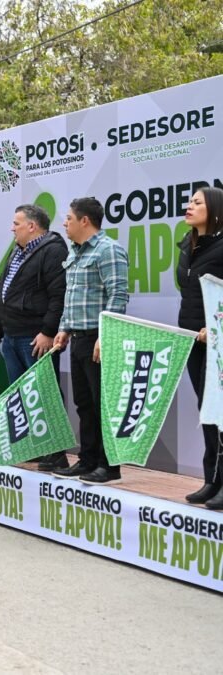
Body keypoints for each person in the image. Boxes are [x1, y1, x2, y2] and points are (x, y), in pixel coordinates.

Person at [0, 203, 69, 470]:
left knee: (44, 393)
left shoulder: (53, 250)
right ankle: (34, 447)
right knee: (23, 396)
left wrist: (48, 331)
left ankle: (56, 452)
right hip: (12, 335)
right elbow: (4, 282)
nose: (12, 228)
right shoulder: (19, 250)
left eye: (16, 223)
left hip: (34, 336)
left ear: (32, 226)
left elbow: (59, 295)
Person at [53, 197, 130, 485]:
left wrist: (106, 333)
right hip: (78, 339)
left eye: (69, 218)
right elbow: (71, 297)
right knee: (84, 404)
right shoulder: (75, 252)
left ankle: (109, 466)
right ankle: (87, 460)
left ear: (85, 220)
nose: (65, 223)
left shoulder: (108, 250)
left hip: (100, 340)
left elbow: (118, 295)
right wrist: (64, 328)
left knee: (102, 404)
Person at [177, 187, 223, 508]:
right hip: (192, 339)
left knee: (221, 415)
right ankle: (211, 480)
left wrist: (217, 326)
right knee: (206, 414)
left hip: (217, 342)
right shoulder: (187, 246)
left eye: (197, 202)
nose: (189, 206)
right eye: (190, 201)